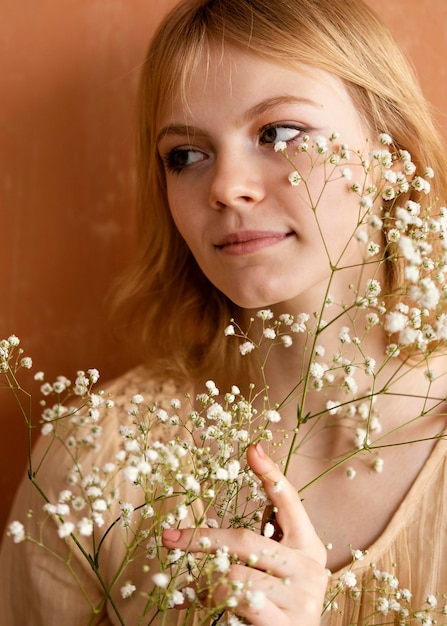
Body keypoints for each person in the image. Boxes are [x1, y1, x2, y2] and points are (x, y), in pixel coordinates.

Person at [1, 0, 447, 624]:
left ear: (389, 150)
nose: (226, 186)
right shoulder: (94, 460)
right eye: (185, 155)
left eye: (280, 134)